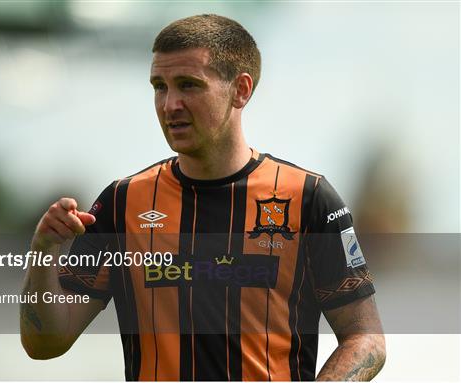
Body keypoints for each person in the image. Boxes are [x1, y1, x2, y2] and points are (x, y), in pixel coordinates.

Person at [20, 14, 386, 381]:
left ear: (241, 90)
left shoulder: (308, 199)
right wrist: (43, 250)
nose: (169, 104)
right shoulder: (122, 203)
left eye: (188, 85)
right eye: (159, 87)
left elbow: (366, 339)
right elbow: (45, 344)